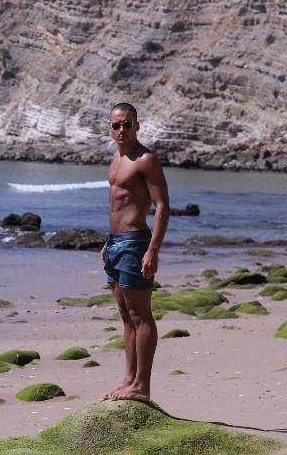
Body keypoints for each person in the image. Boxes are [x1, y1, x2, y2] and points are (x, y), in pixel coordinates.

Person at [100, 102, 169, 401]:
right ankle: (129, 379)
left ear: (137, 125)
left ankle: (142, 386)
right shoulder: (115, 160)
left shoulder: (146, 160)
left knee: (141, 315)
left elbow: (163, 207)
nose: (122, 130)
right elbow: (116, 205)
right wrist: (108, 243)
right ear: (110, 128)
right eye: (116, 125)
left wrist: (153, 249)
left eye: (127, 124)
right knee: (126, 316)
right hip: (115, 243)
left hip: (135, 243)